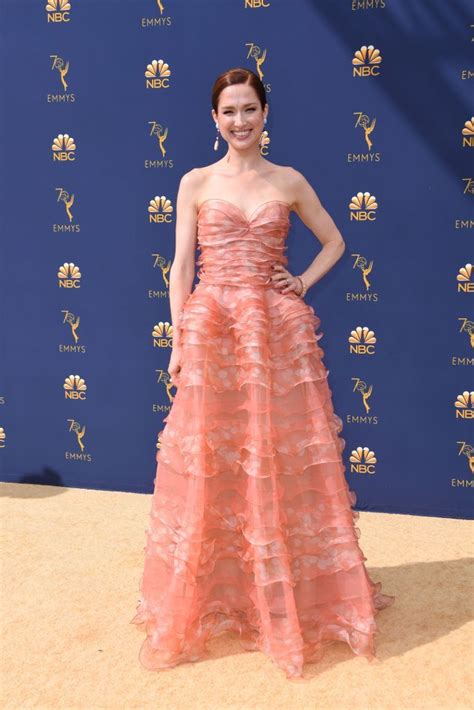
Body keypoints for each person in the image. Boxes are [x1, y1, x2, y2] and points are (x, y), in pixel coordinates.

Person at [130, 66, 395, 680]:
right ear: (214, 119)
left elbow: (335, 241)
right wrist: (177, 338)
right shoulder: (194, 181)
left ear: (265, 114)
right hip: (214, 325)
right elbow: (179, 268)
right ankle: (218, 596)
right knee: (214, 460)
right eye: (230, 111)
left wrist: (300, 283)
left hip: (276, 331)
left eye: (250, 109)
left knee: (274, 455)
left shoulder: (290, 180)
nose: (241, 121)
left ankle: (285, 599)